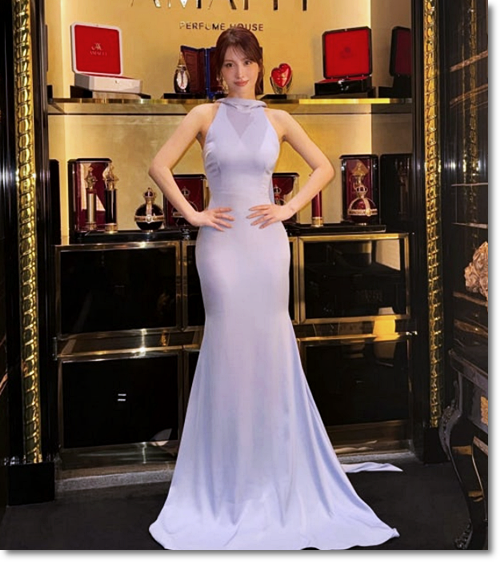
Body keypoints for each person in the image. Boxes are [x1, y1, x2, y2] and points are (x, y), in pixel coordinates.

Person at [148, 27, 399, 551]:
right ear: (218, 72)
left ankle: (273, 474)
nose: (238, 73)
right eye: (229, 64)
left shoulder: (279, 119)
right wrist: (194, 214)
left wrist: (288, 208)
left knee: (269, 347)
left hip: (266, 247)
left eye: (246, 63)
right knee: (227, 349)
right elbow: (158, 165)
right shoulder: (204, 115)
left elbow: (324, 167)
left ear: (260, 67)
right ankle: (227, 480)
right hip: (220, 248)